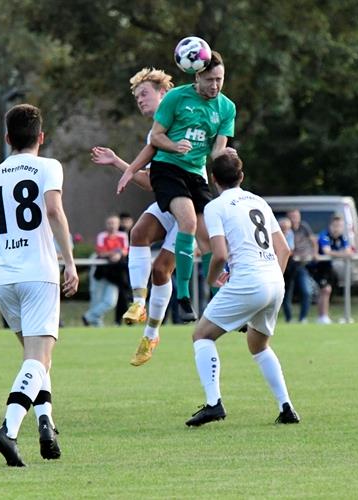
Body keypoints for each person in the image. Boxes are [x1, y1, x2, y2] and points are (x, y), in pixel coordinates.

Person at [0, 103, 79, 467]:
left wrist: (4, 225)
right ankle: (9, 430)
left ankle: (47, 424)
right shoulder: (48, 166)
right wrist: (70, 262)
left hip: (3, 278)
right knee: (38, 358)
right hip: (37, 273)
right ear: (41, 137)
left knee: (35, 360)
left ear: (8, 138)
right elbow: (54, 211)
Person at [117, 52, 235, 323]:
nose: (215, 85)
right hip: (168, 170)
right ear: (197, 76)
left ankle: (218, 301)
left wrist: (229, 171)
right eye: (210, 80)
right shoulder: (176, 99)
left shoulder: (226, 108)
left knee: (210, 244)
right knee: (170, 226)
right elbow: (155, 142)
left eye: (220, 79)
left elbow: (218, 152)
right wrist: (130, 170)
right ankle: (179, 298)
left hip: (196, 177)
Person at [185, 149, 299, 427]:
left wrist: (212, 279)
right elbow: (284, 249)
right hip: (274, 280)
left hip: (250, 280)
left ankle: (214, 404)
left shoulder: (215, 206)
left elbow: (220, 255)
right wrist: (270, 283)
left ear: (213, 179)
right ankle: (286, 407)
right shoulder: (259, 201)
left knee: (201, 335)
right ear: (241, 176)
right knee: (257, 344)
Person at [90, 67, 178, 364]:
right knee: (137, 233)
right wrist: (118, 162)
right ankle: (139, 303)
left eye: (145, 94)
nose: (140, 100)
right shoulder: (154, 131)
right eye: (137, 96)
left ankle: (151, 335)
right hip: (168, 201)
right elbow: (151, 180)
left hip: (190, 205)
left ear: (163, 94)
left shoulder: (180, 120)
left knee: (161, 270)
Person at [82, 215, 129, 327]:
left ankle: (88, 317)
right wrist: (114, 253)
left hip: (114, 275)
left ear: (118, 225)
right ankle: (96, 324)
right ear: (106, 224)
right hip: (102, 272)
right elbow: (100, 252)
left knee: (110, 302)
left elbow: (125, 251)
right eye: (109, 223)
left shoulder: (122, 236)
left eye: (114, 223)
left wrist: (117, 254)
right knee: (97, 299)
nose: (112, 226)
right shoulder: (102, 236)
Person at [313, 216, 354, 324]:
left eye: (339, 226)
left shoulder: (342, 237)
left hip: (328, 267)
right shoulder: (324, 235)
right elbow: (327, 251)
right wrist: (342, 254)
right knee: (325, 290)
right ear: (330, 226)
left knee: (327, 291)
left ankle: (323, 316)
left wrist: (345, 253)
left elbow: (348, 251)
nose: (337, 229)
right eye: (335, 226)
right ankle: (322, 316)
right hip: (318, 267)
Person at [282, 209, 317, 323]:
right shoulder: (285, 229)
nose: (295, 219)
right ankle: (289, 319)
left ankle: (303, 318)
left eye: (297, 216)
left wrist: (314, 253)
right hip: (288, 265)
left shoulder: (304, 227)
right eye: (292, 216)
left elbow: (313, 241)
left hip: (300, 265)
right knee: (286, 294)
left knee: (306, 291)